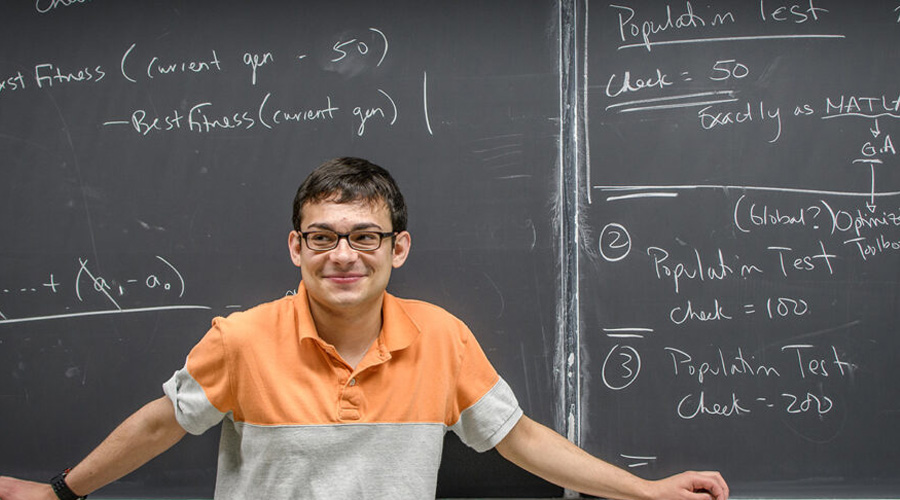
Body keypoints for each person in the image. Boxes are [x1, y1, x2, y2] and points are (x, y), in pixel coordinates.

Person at [0, 157, 729, 500]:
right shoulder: (243, 338)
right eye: (321, 237)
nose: (342, 254)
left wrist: (649, 493)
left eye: (364, 236)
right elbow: (162, 423)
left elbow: (521, 438)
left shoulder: (442, 337)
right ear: (296, 248)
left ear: (398, 247)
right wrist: (59, 495)